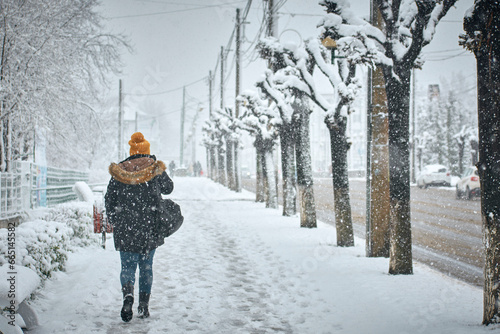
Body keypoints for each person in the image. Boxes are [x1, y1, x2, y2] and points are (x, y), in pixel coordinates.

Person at [105, 132, 174, 322]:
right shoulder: (154, 169)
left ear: (131, 151)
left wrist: (115, 219)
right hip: (149, 227)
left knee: (127, 266)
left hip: (126, 228)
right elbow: (169, 188)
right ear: (147, 151)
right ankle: (143, 305)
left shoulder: (119, 171)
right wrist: (157, 166)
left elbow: (109, 199)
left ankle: (128, 297)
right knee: (146, 267)